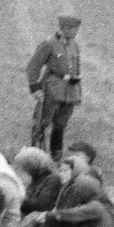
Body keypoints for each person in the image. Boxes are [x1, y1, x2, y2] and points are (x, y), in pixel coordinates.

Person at [27, 14, 83, 156]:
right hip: (52, 90)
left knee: (61, 126)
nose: (75, 32)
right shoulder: (49, 44)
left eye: (76, 29)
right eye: (72, 29)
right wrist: (35, 88)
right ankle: (36, 155)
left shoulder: (74, 45)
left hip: (70, 92)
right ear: (63, 28)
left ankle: (56, 155)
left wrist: (77, 91)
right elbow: (33, 66)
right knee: (42, 124)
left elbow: (76, 68)